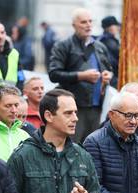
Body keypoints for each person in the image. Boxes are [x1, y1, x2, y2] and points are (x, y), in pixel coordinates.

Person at [49, 8, 113, 143]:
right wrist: (81, 76)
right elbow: (53, 74)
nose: (88, 25)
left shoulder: (100, 46)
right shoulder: (63, 46)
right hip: (74, 108)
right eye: (84, 22)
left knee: (93, 148)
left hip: (98, 108)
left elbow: (110, 70)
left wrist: (108, 76)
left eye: (90, 21)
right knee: (72, 146)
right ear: (74, 25)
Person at [99, 16, 120, 87]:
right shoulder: (109, 41)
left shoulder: (102, 39)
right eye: (116, 26)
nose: (118, 28)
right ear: (110, 28)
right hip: (111, 77)